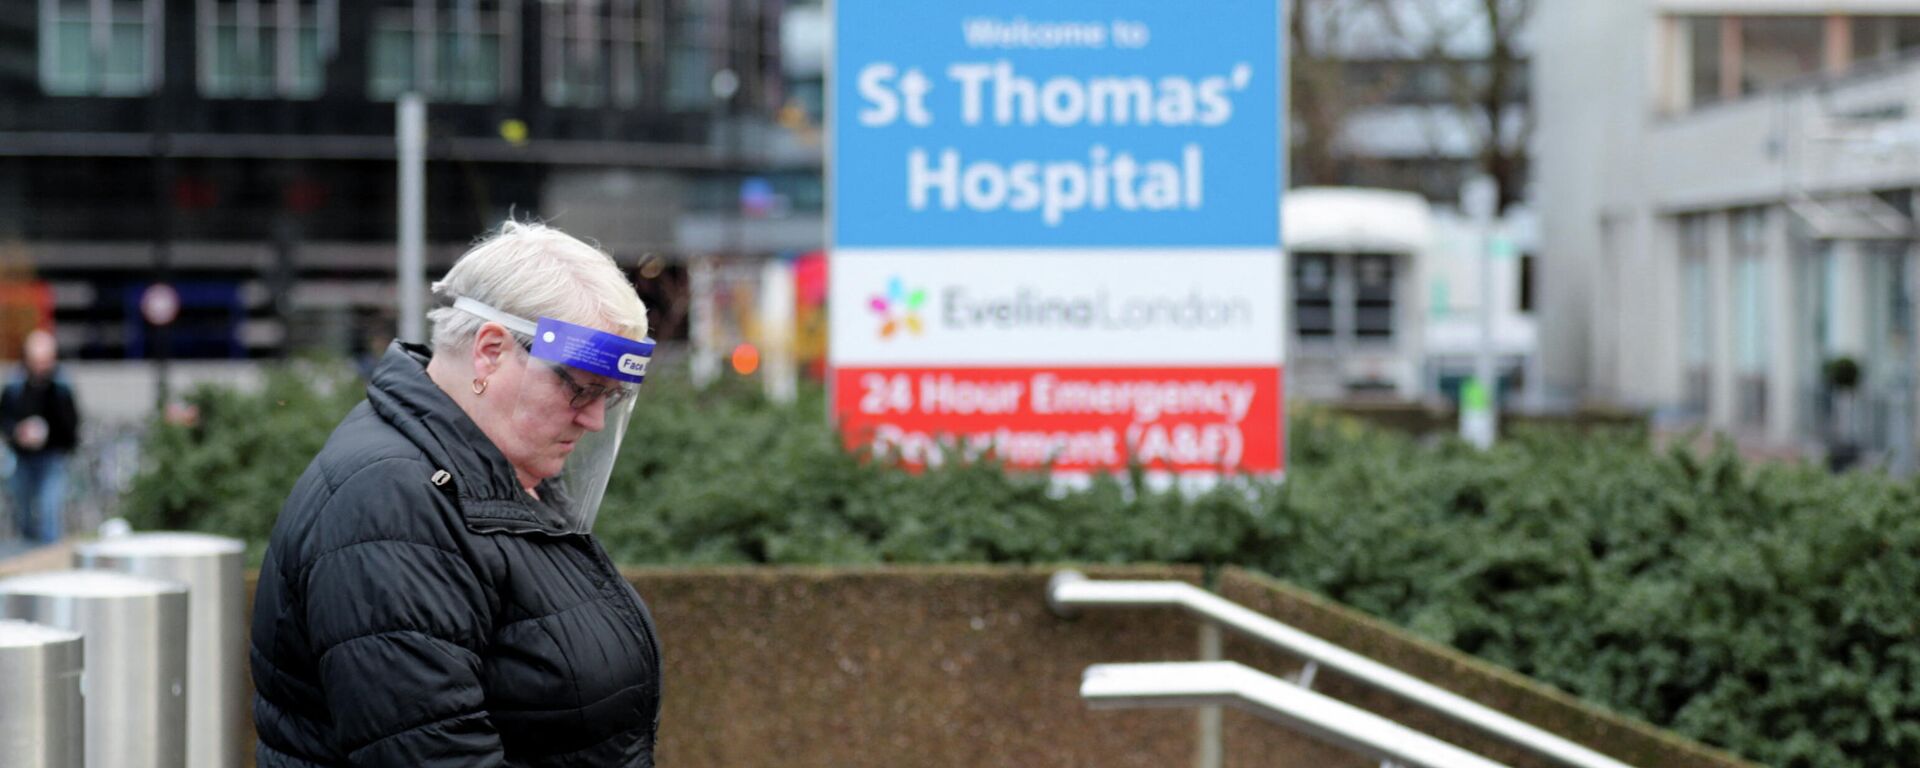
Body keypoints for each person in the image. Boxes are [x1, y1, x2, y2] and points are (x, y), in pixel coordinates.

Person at [250, 222, 663, 767]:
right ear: (490, 351)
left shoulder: (494, 473)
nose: (591, 418)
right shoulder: (391, 508)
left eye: (608, 398)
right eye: (581, 387)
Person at [0, 328, 80, 544]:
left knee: (49, 511)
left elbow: (71, 427)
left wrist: (48, 433)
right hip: (22, 458)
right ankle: (27, 558)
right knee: (23, 511)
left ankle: (48, 560)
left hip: (51, 458)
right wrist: (18, 432)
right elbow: (4, 419)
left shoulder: (61, 387)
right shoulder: (15, 385)